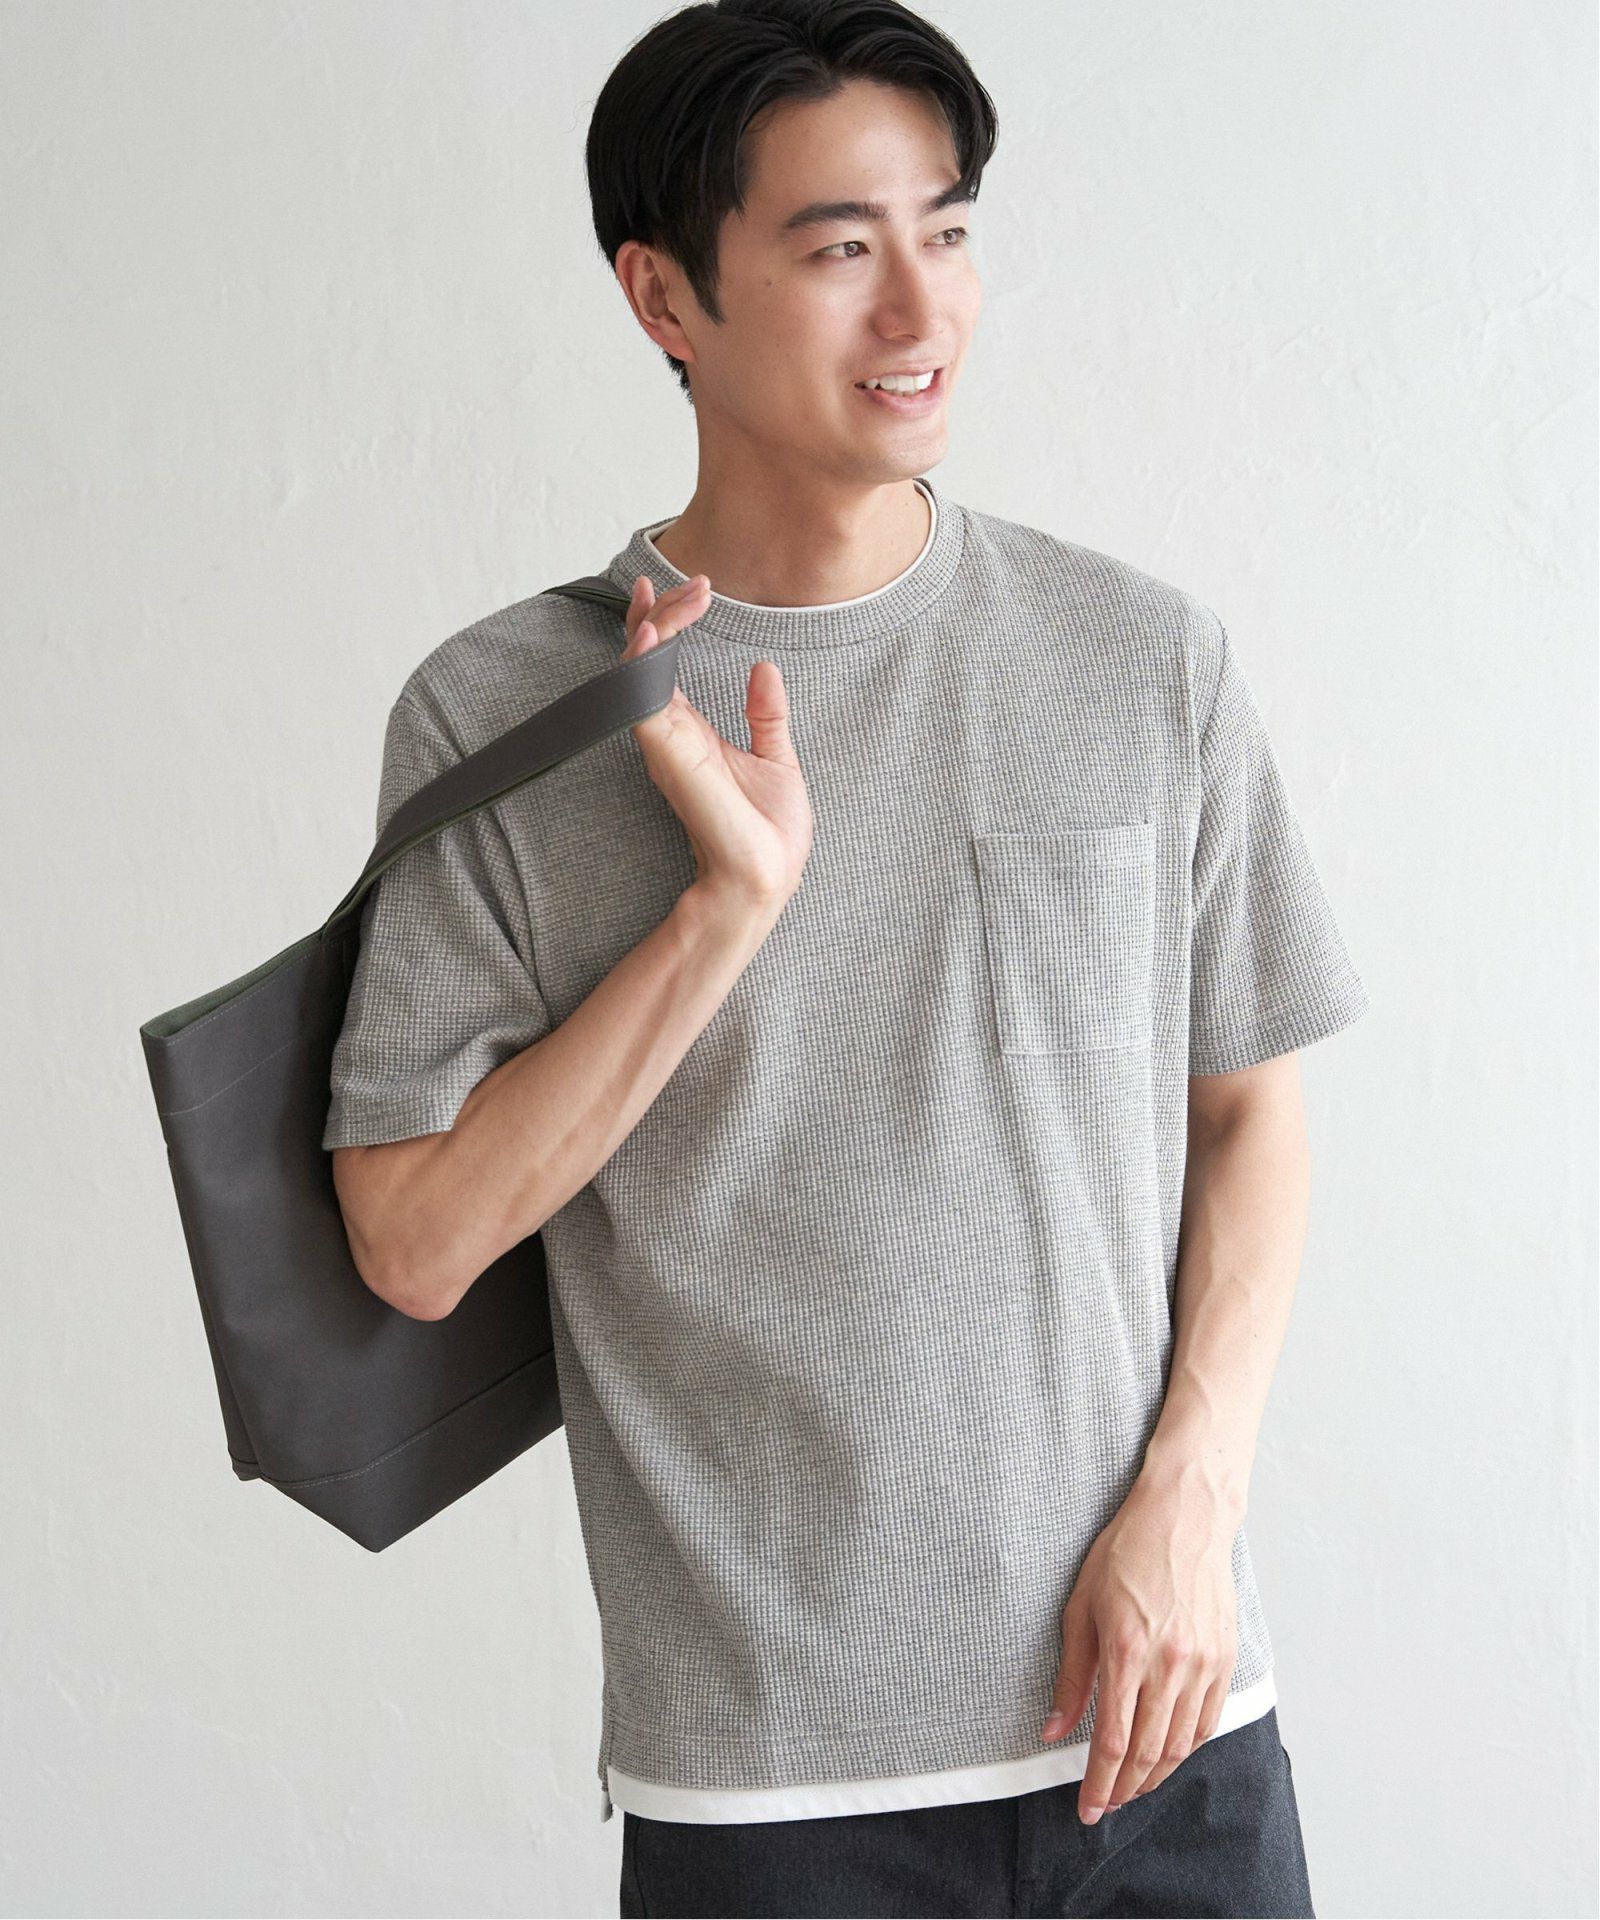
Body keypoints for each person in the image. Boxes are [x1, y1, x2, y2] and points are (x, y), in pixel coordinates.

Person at [324, 2, 1368, 1913]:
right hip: (774, 1807)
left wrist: (1194, 1498)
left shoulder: (1139, 658)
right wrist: (724, 912)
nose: (919, 308)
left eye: (946, 231)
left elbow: (1249, 1114)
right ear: (663, 293)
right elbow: (415, 1241)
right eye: (838, 248)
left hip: (1173, 1738)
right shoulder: (512, 714)